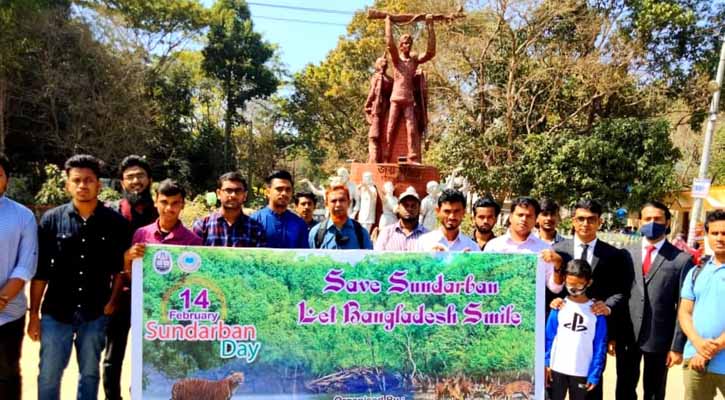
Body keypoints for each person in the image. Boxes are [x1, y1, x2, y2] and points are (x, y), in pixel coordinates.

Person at [30, 155, 130, 400]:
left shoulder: (114, 222)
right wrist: (34, 314)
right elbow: (41, 271)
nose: (82, 185)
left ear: (99, 185)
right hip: (56, 311)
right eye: (77, 180)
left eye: (88, 180)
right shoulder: (51, 220)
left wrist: (113, 302)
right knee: (49, 374)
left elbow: (120, 269)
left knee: (89, 374)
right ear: (67, 185)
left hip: (95, 312)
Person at [548, 199, 630, 399]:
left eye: (591, 219)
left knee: (589, 393)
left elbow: (621, 291)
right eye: (581, 219)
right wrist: (554, 301)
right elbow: (549, 285)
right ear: (573, 221)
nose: (586, 224)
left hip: (591, 335)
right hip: (562, 334)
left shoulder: (614, 255)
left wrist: (607, 307)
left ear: (600, 222)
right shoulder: (558, 250)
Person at [615, 200, 694, 400]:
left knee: (654, 391)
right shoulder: (625, 254)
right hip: (627, 335)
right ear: (640, 222)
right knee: (624, 387)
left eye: (657, 219)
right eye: (647, 218)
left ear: (667, 222)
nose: (652, 222)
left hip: (659, 337)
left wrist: (676, 346)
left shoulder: (681, 259)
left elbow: (683, 307)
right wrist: (612, 335)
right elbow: (619, 296)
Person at [104, 154, 158, 400]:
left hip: (153, 296)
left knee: (152, 353)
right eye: (130, 177)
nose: (136, 181)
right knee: (113, 356)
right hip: (119, 293)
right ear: (122, 182)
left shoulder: (159, 211)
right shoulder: (110, 213)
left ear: (149, 180)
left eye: (140, 176)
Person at [0, 153, 38, 400]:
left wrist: (2, 298)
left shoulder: (23, 216)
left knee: (7, 375)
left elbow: (25, 266)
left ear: (6, 179)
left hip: (8, 313)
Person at [678, 209, 725, 399]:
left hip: (709, 357)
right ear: (707, 236)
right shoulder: (696, 272)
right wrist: (697, 343)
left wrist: (710, 351)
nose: (720, 238)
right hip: (695, 360)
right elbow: (684, 312)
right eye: (715, 233)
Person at [545, 260, 607, 400]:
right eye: (569, 284)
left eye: (578, 285)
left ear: (588, 283)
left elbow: (600, 345)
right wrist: (546, 363)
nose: (573, 289)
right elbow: (549, 337)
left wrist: (594, 373)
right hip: (556, 369)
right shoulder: (558, 307)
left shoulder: (596, 312)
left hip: (581, 371)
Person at [484, 197, 565, 294]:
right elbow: (483, 279)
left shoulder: (544, 248)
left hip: (531, 307)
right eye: (520, 215)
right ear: (510, 217)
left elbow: (556, 288)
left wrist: (558, 264)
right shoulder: (494, 246)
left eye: (529, 216)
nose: (524, 219)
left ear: (535, 220)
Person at [383, 14, 435, 163]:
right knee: (390, 128)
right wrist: (388, 23)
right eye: (405, 43)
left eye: (409, 43)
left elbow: (431, 52)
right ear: (401, 45)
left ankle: (413, 155)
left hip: (408, 100)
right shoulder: (397, 60)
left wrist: (430, 25)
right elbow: (389, 44)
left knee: (411, 128)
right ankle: (386, 155)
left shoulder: (414, 61)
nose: (408, 45)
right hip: (396, 98)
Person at [124, 179, 202, 273]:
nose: (169, 208)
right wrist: (127, 257)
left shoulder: (193, 241)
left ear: (183, 205)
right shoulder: (141, 234)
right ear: (155, 202)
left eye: (175, 203)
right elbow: (133, 276)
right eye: (164, 202)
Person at [193, 172, 266, 247]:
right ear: (218, 194)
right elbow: (195, 255)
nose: (233, 195)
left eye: (238, 191)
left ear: (245, 195)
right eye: (228, 190)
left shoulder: (256, 229)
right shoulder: (202, 226)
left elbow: (260, 258)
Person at [251, 170, 309, 249]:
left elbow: (304, 256)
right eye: (279, 189)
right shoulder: (254, 221)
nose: (284, 193)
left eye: (288, 190)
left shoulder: (299, 224)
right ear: (268, 192)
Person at [309, 184, 373, 250]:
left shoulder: (361, 232)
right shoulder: (316, 232)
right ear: (326, 204)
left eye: (342, 200)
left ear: (349, 203)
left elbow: (369, 258)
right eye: (333, 201)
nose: (338, 205)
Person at [375, 186, 427, 251]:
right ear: (398, 208)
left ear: (419, 209)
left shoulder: (427, 235)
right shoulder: (386, 233)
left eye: (413, 206)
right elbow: (377, 257)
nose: (409, 208)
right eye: (405, 205)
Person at [364, 57, 393, 163]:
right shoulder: (391, 80)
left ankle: (374, 161)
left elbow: (373, 92)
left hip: (377, 109)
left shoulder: (377, 77)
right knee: (383, 137)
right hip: (388, 111)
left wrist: (366, 104)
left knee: (373, 137)